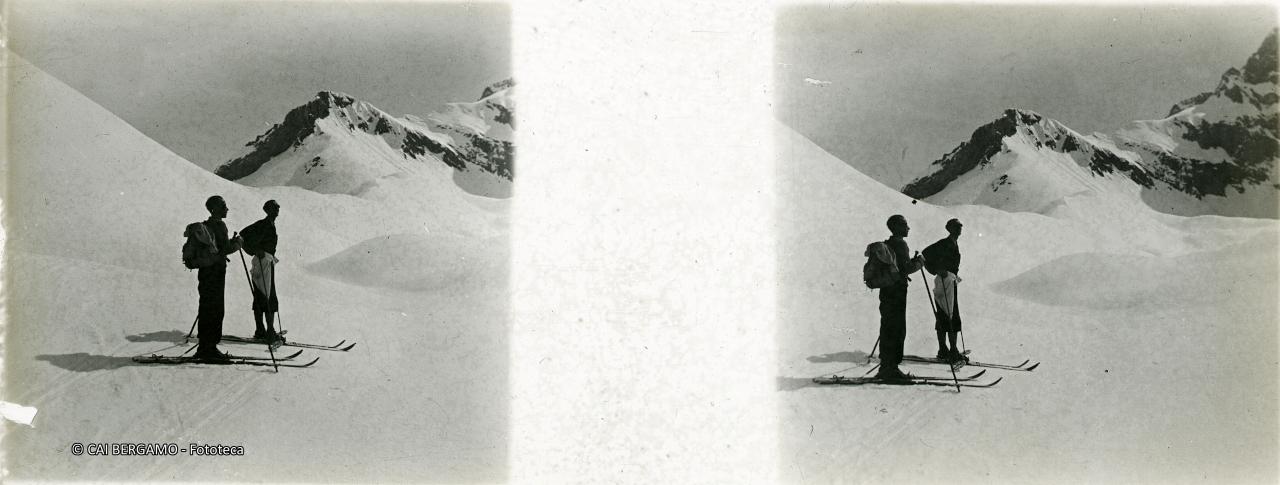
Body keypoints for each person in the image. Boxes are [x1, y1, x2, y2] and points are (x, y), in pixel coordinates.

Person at [193, 196, 243, 362]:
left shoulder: (206, 226)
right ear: (215, 209)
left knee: (206, 306)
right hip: (216, 272)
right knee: (216, 308)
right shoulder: (219, 225)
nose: (226, 209)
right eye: (223, 206)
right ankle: (210, 349)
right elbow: (225, 249)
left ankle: (204, 346)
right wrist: (238, 244)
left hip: (205, 272)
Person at [876, 214, 924, 381]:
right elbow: (906, 269)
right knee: (897, 328)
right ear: (897, 227)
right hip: (897, 291)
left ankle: (885, 366)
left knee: (887, 325)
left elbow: (897, 266)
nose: (908, 228)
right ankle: (892, 369)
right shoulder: (900, 244)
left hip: (886, 291)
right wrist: (919, 263)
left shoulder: (887, 244)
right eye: (905, 225)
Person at [241, 200, 281, 343]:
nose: (277, 210)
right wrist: (255, 250)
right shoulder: (263, 225)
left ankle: (261, 330)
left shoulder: (267, 224)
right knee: (267, 296)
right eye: (274, 208)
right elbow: (242, 236)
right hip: (263, 263)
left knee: (261, 294)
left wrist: (255, 250)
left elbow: (243, 236)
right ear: (267, 210)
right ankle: (268, 331)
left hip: (265, 262)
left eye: (277, 208)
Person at [926, 219, 965, 363]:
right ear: (950, 229)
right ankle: (949, 350)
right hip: (944, 281)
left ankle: (945, 349)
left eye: (960, 226)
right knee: (948, 314)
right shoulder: (944, 243)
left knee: (947, 313)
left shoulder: (953, 243)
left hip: (949, 281)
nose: (960, 228)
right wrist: (937, 270)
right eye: (957, 226)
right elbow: (925, 255)